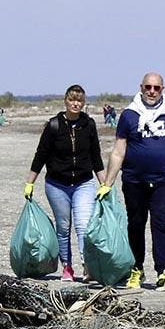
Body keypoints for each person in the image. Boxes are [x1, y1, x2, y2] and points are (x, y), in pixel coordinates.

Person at [102, 72, 165, 291]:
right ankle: (137, 269)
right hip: (134, 181)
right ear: (141, 88)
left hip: (162, 181)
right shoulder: (129, 115)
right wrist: (107, 183)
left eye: (156, 88)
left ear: (163, 89)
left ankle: (162, 272)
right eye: (148, 87)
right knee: (135, 225)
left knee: (160, 225)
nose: (152, 91)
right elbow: (118, 151)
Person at [24, 84, 106, 282]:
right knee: (63, 227)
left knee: (84, 225)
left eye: (79, 101)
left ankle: (88, 267)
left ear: (84, 103)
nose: (75, 104)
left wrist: (105, 184)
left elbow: (96, 156)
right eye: (72, 100)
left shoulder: (89, 125)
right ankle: (67, 268)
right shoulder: (54, 125)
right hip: (56, 185)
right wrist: (30, 183)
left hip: (83, 183)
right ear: (65, 101)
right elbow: (40, 155)